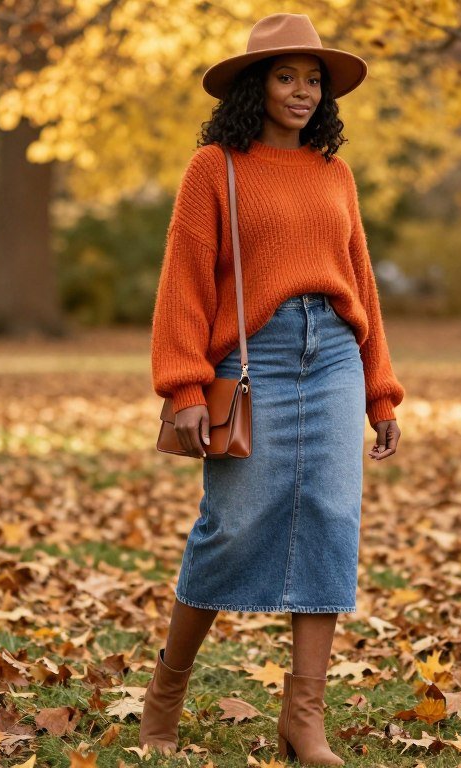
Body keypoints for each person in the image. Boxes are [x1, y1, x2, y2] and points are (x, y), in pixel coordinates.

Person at [142, 12, 405, 766]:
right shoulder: (215, 167)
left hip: (332, 357)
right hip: (250, 361)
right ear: (255, 86)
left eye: (312, 79)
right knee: (231, 523)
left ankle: (303, 721)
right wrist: (185, 387)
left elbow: (361, 285)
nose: (302, 91)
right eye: (286, 76)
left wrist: (380, 392)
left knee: (330, 518)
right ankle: (166, 696)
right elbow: (184, 284)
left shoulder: (335, 174)